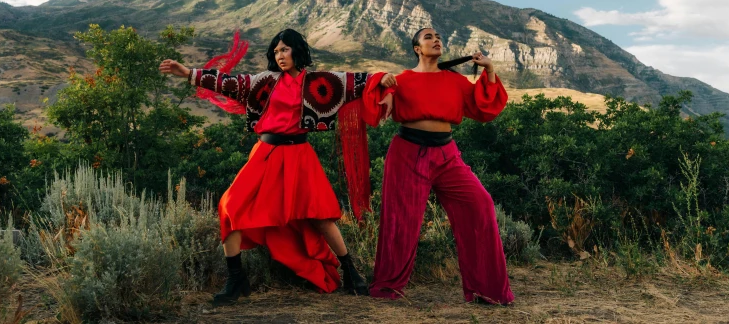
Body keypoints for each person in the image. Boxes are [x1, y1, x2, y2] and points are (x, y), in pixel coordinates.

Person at [159, 29, 395, 305]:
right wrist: (188, 72)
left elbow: (364, 81)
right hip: (266, 154)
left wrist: (386, 83)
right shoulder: (265, 81)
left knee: (320, 215)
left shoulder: (321, 81)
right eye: (276, 52)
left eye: (284, 49)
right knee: (230, 207)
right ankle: (236, 279)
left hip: (300, 155)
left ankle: (351, 272)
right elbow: (229, 83)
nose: (279, 56)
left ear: (297, 50)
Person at [368, 27, 514, 305]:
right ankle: (388, 287)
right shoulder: (400, 80)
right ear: (416, 48)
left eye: (438, 36)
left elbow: (485, 108)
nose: (436, 40)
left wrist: (490, 69)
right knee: (400, 220)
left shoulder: (454, 81)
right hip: (407, 152)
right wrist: (382, 83)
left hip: (447, 153)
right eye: (428, 37)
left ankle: (487, 289)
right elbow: (373, 94)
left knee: (479, 204)